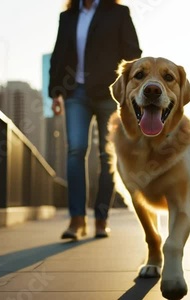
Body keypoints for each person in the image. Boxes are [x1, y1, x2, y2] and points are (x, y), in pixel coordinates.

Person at [48, 0, 141, 239]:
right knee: (76, 151)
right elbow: (59, 53)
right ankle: (76, 220)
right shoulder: (68, 16)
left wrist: (132, 89)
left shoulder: (118, 13)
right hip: (74, 93)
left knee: (107, 154)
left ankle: (101, 218)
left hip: (108, 93)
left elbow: (132, 53)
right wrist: (55, 91)